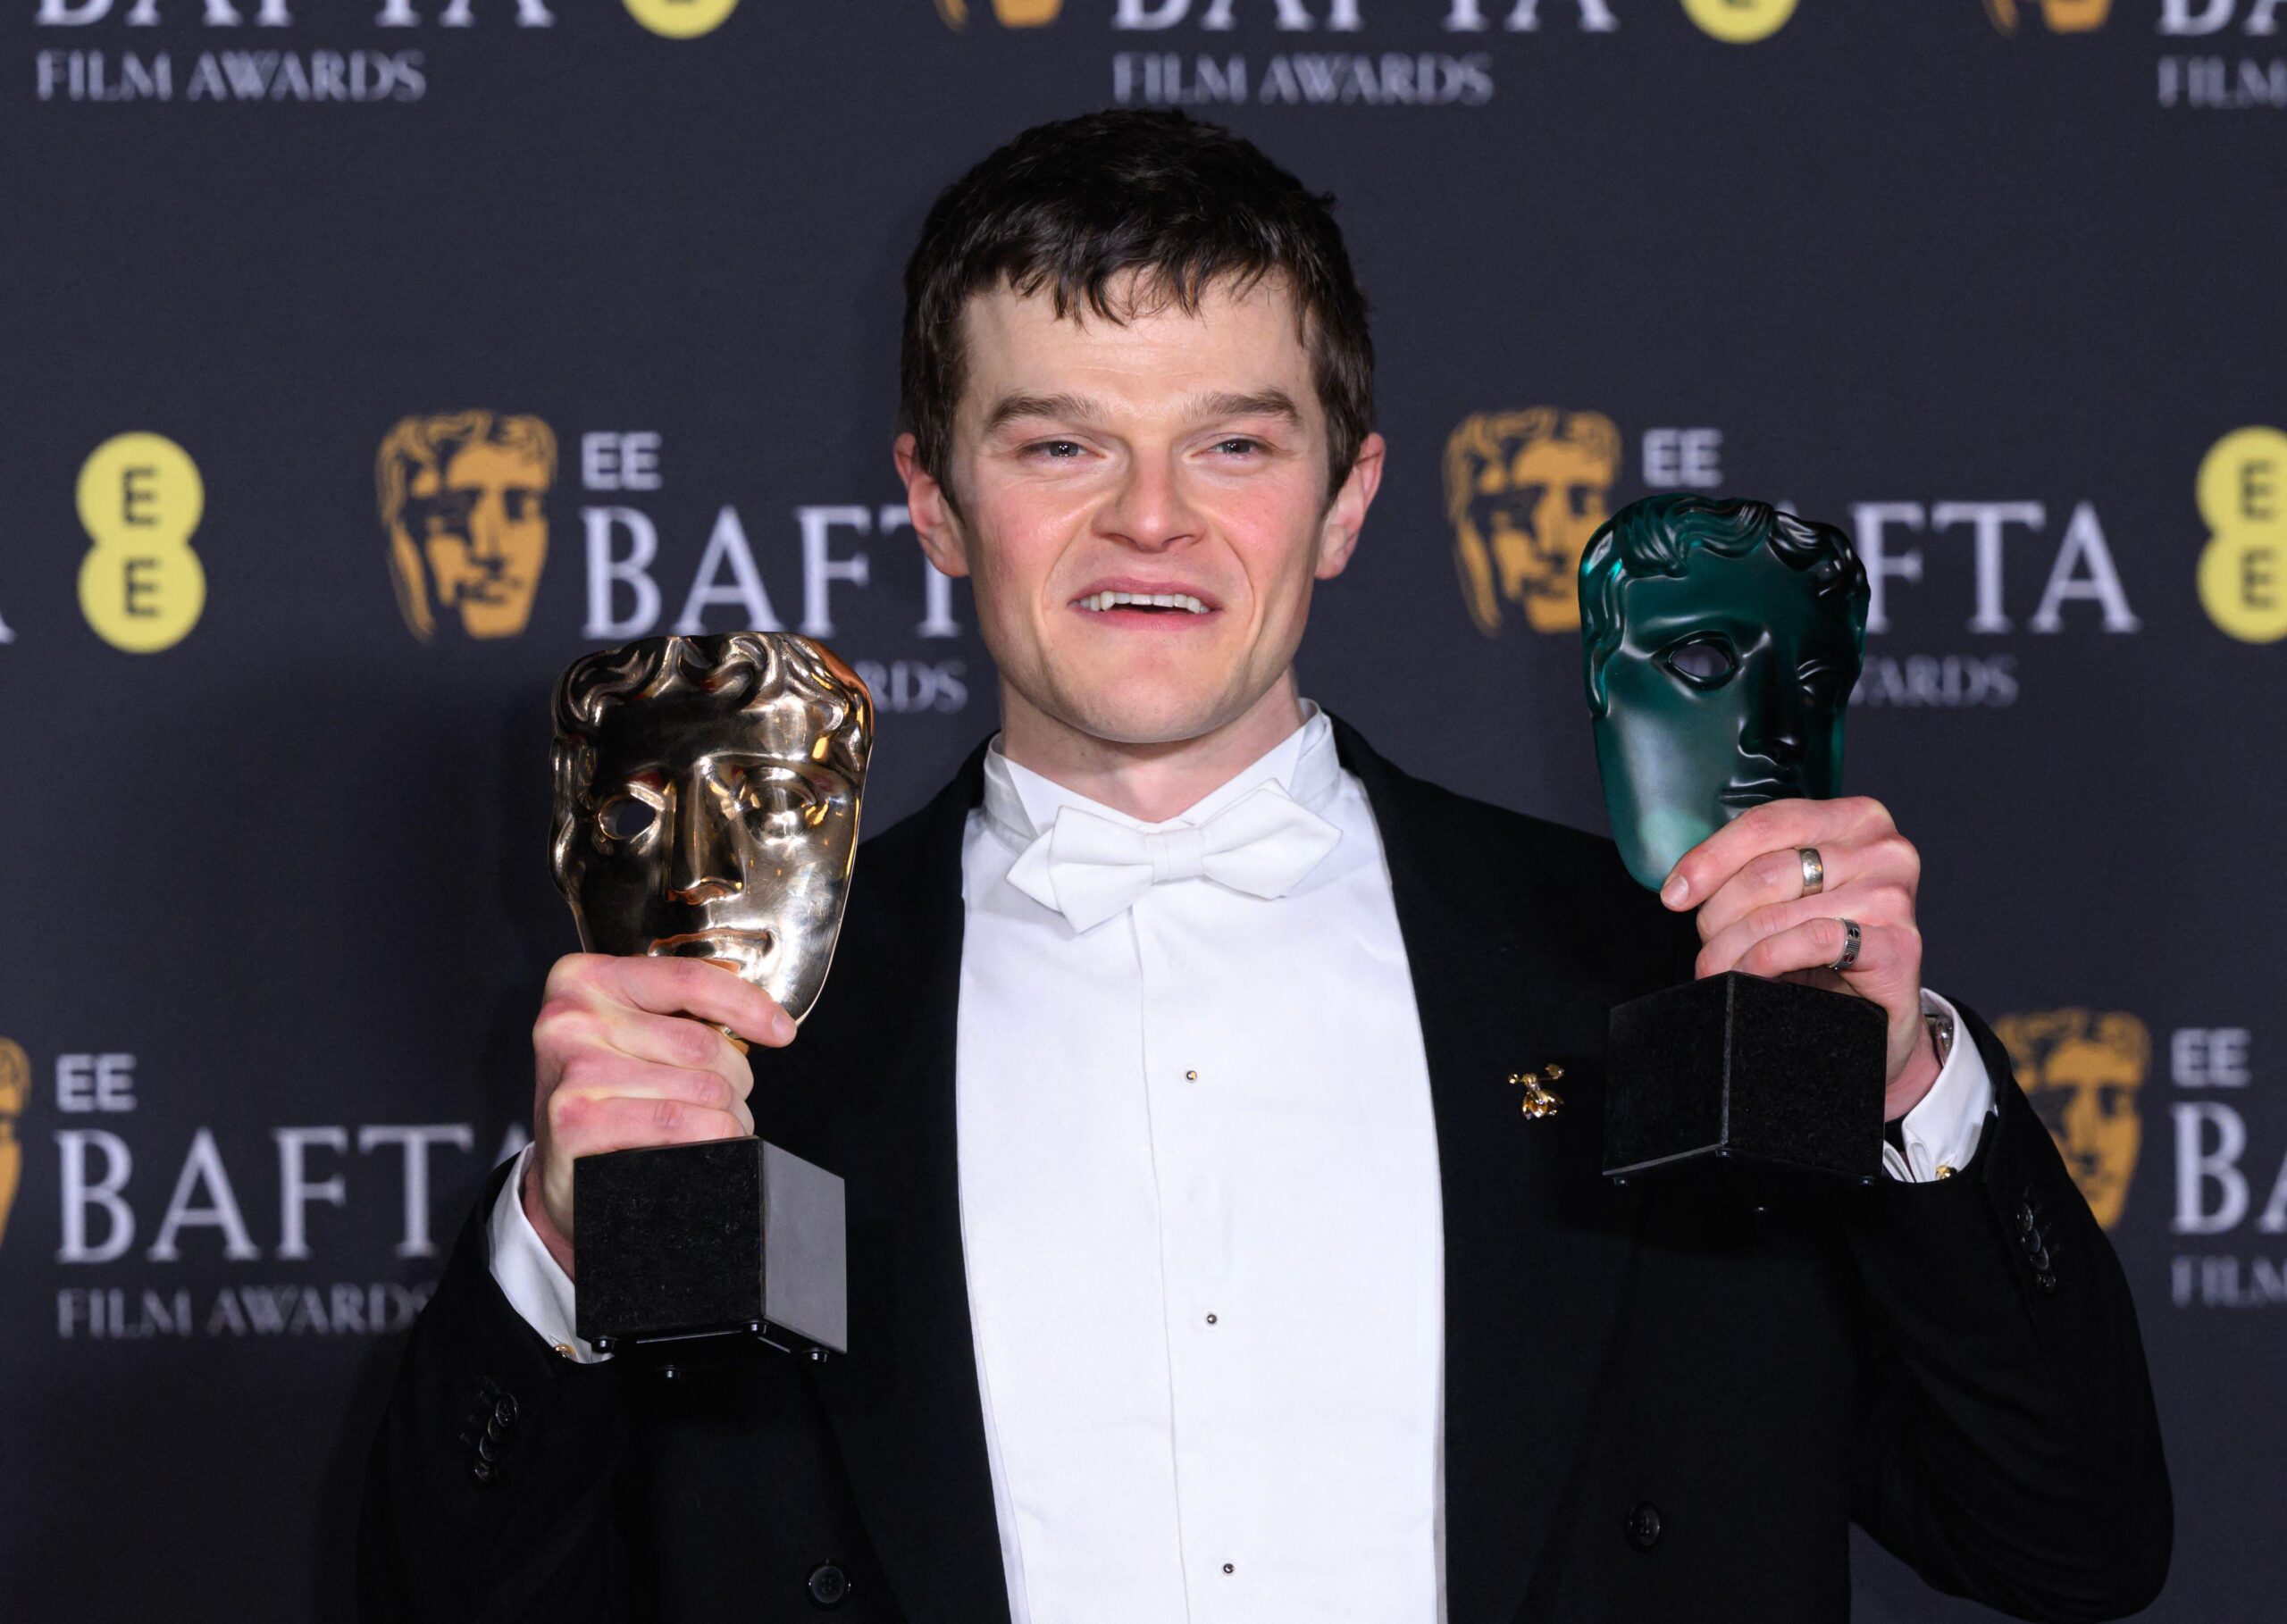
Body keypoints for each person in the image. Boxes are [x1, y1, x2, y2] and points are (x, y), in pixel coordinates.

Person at [358, 109, 2169, 1623]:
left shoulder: (1668, 984)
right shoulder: (751, 1043)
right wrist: (551, 1254)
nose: (1150, 518)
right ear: (929, 504)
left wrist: (1909, 1084)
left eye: (1231, 442)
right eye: (1060, 442)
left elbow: (2066, 1544)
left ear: (1347, 499)